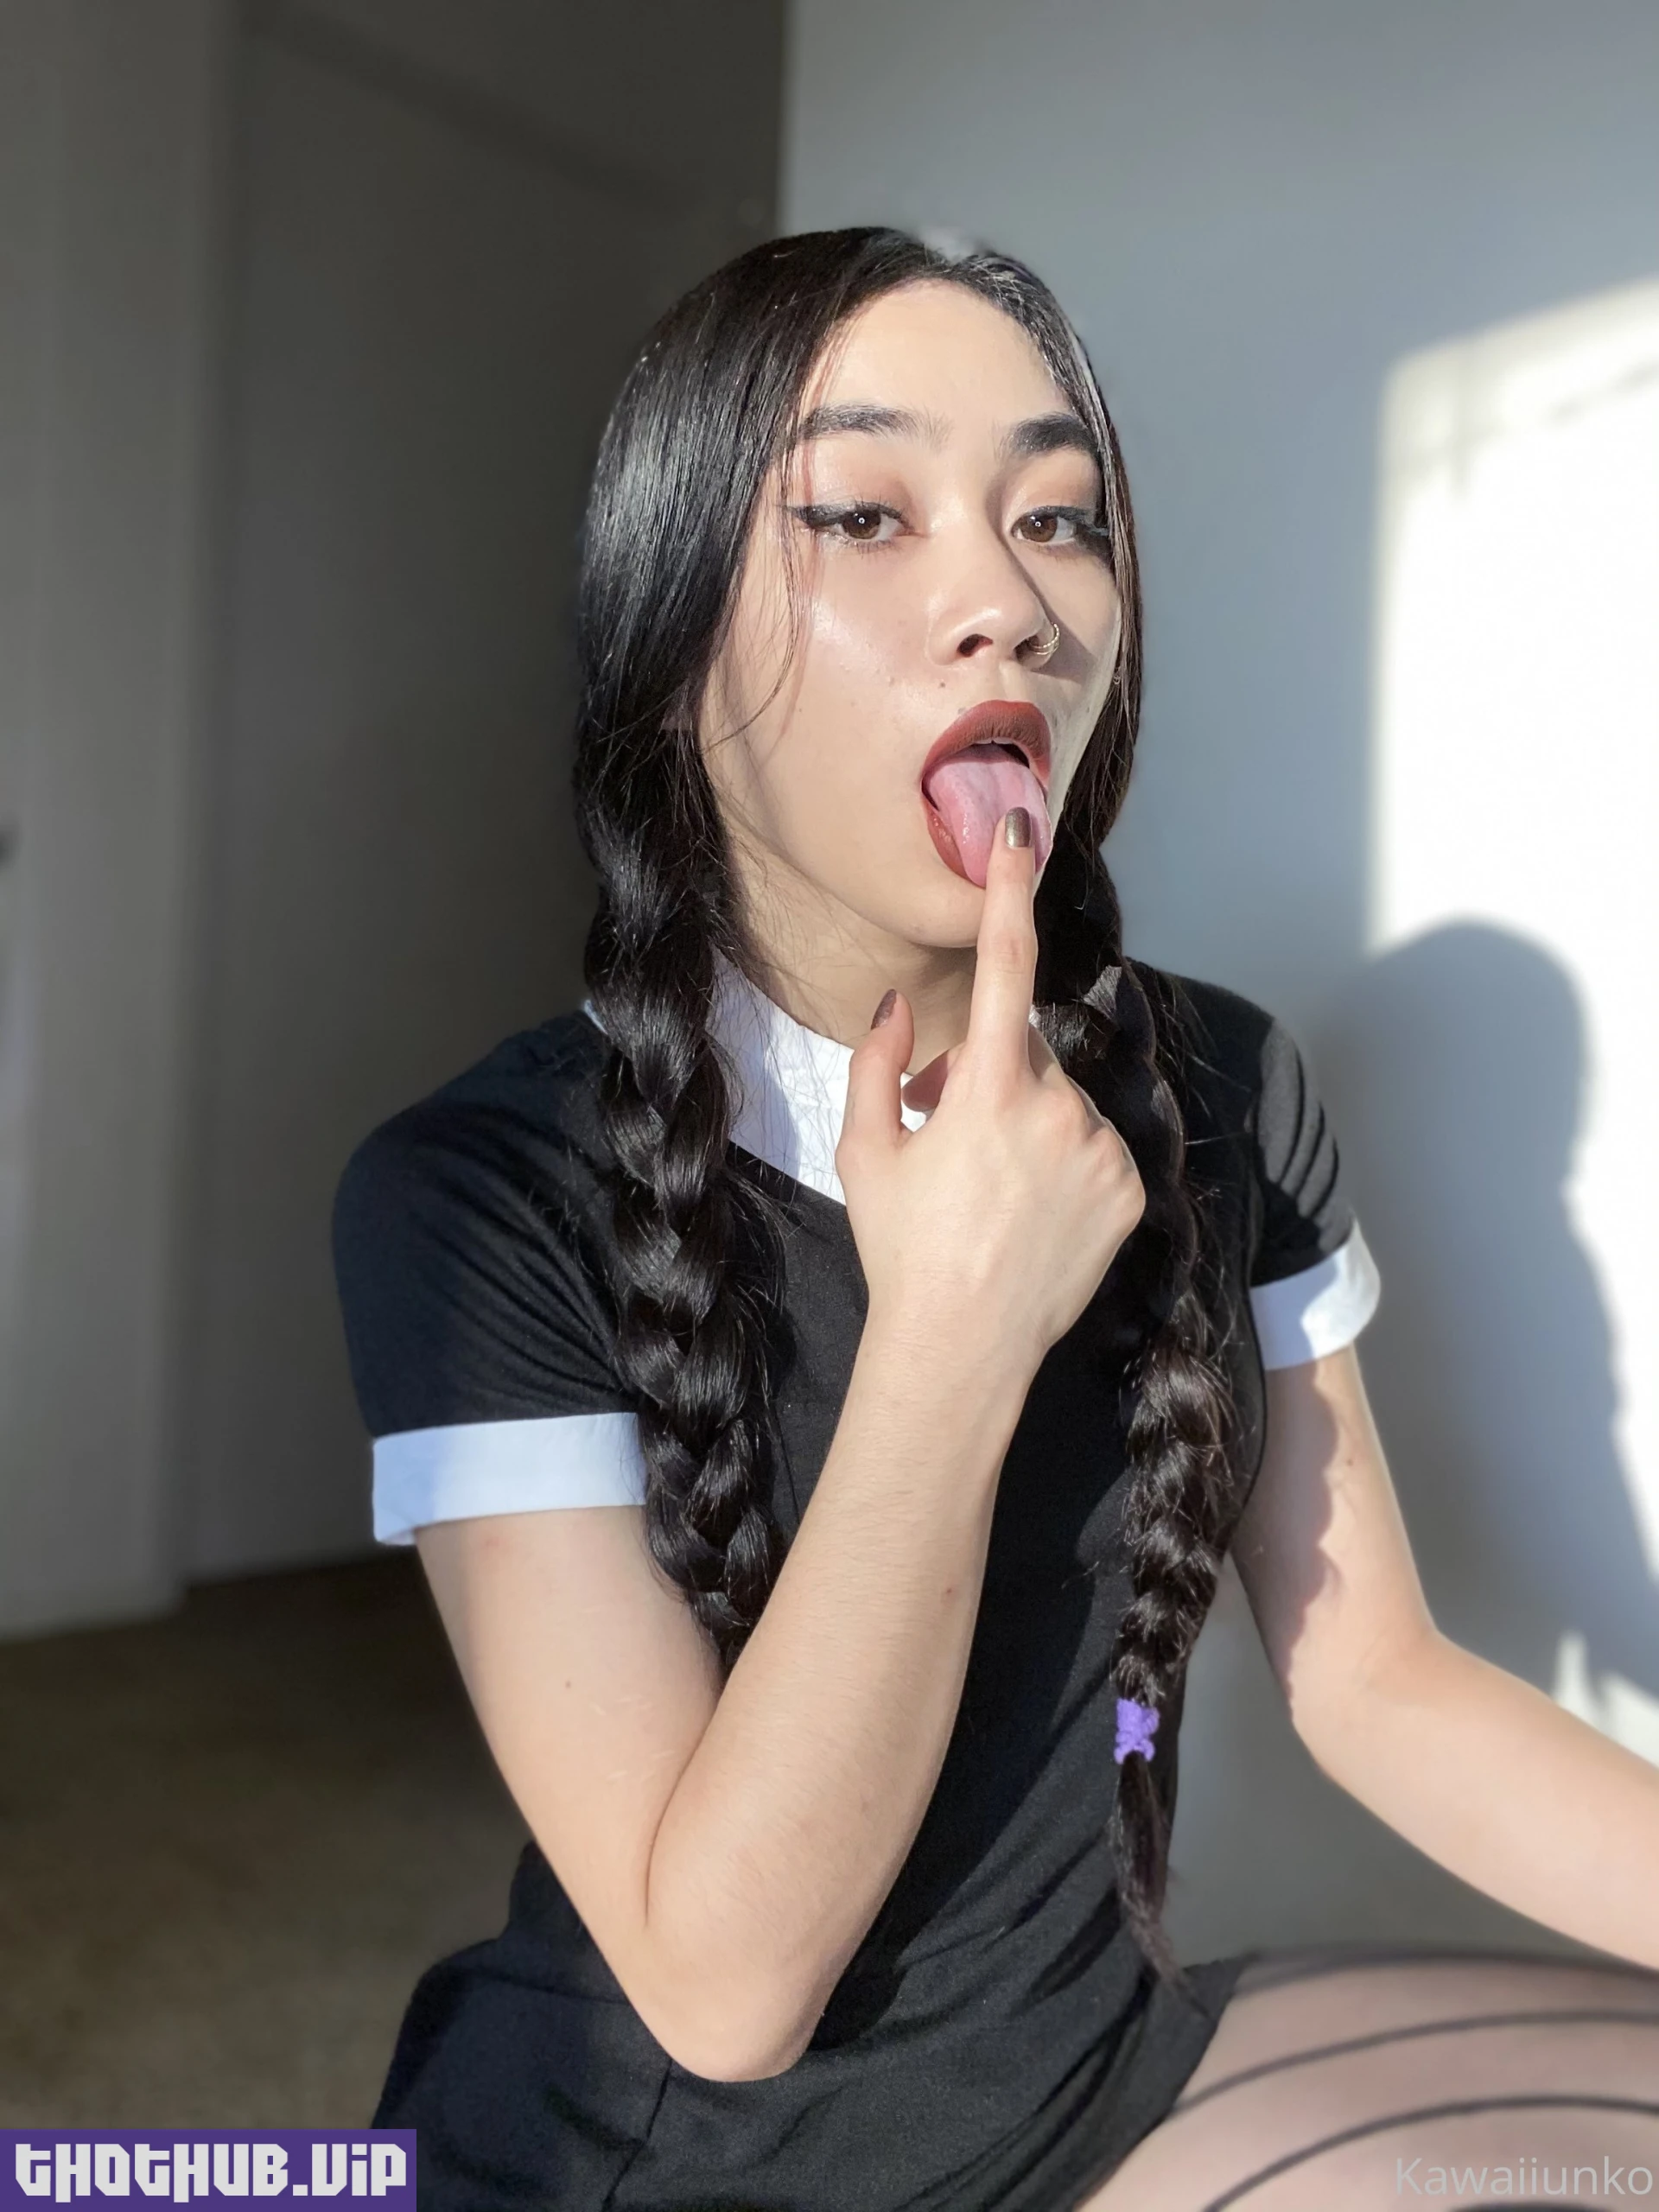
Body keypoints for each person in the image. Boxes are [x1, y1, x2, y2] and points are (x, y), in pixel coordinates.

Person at [331, 228, 1659, 2210]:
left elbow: (1375, 1676)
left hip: (1094, 2076)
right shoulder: (479, 1193)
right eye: (865, 513)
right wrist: (955, 1323)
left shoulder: (1224, 1085)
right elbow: (721, 1984)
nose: (1008, 602)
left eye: (1058, 519)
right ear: (670, 650)